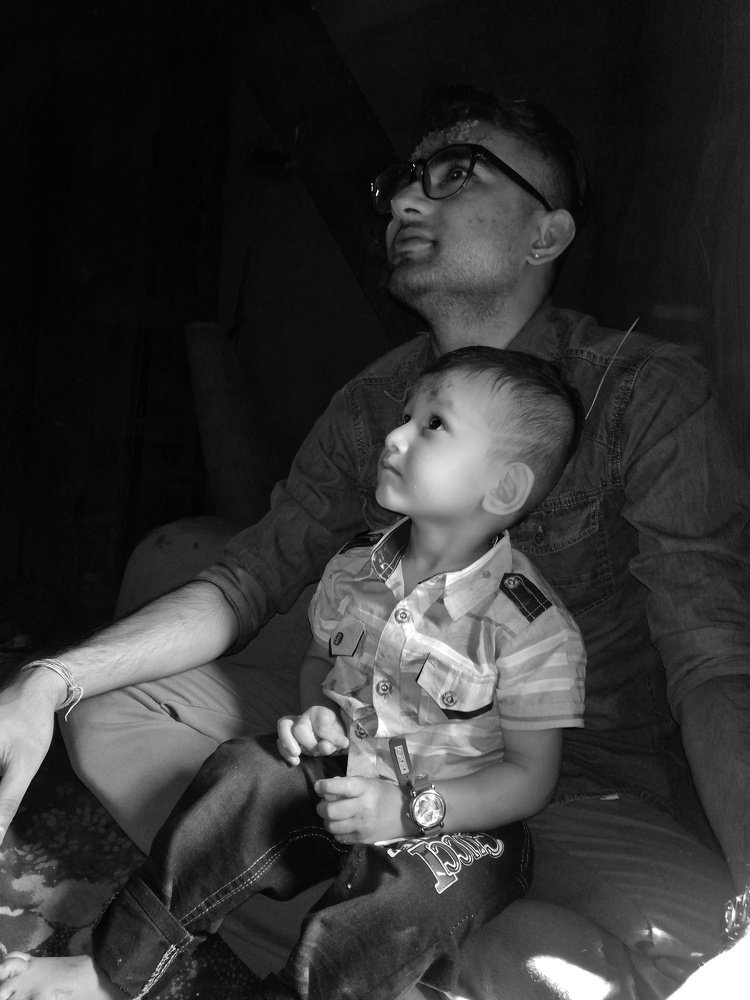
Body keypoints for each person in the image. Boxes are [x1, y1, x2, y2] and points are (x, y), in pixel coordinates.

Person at [0, 85, 748, 999]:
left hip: (579, 785)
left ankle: (406, 944)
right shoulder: (372, 402)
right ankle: (380, 948)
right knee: (114, 714)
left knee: (699, 951)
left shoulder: (642, 394)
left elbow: (712, 658)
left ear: (545, 234)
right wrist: (49, 679)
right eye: (403, 181)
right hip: (384, 740)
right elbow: (250, 575)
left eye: (457, 173)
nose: (404, 201)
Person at [0, 347, 586, 999]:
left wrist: (409, 812)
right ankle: (116, 968)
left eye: (434, 424)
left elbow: (531, 778)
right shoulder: (356, 569)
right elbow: (320, 663)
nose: (395, 436)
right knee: (240, 776)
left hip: (457, 819)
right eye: (406, 415)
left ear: (503, 489)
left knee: (400, 907)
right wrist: (320, 717)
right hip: (348, 768)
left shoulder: (529, 625)